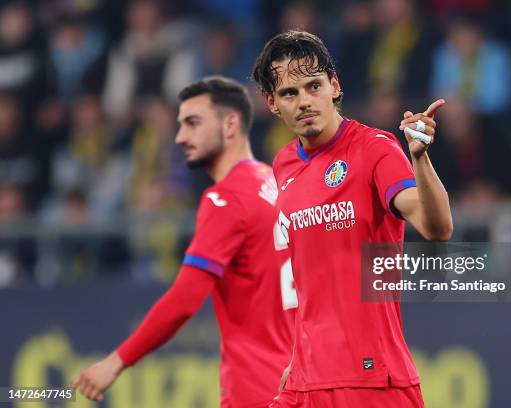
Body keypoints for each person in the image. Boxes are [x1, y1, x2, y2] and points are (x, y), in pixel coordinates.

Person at [251, 31, 452, 407]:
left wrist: (420, 158)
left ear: (334, 85)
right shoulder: (283, 165)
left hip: (372, 383)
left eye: (314, 86)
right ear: (272, 103)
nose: (305, 102)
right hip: (306, 381)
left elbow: (436, 227)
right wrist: (298, 356)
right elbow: (312, 279)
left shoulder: (375, 149)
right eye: (289, 93)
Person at [72, 76, 296, 407]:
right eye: (180, 125)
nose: (180, 137)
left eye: (193, 123)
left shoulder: (226, 198)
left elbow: (184, 300)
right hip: (295, 381)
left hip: (257, 388)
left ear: (230, 124)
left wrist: (116, 361)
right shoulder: (273, 183)